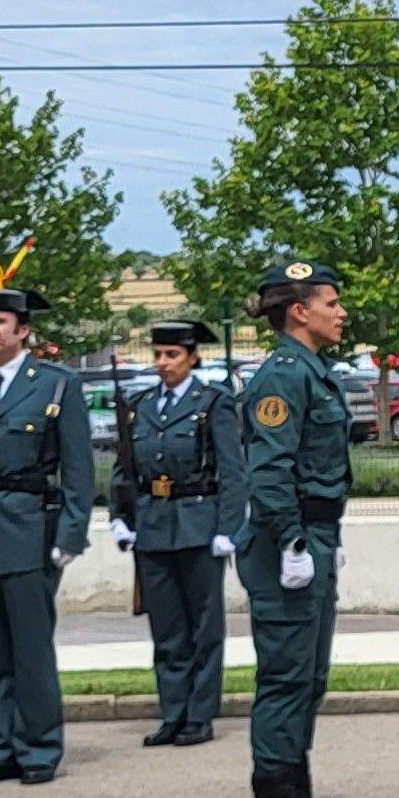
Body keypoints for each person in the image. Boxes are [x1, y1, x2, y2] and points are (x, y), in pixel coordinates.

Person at [0, 286, 93, 788]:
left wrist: (71, 531)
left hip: (28, 527)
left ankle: (38, 748)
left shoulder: (55, 385)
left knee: (29, 650)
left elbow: (78, 466)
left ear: (22, 330)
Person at [236, 259, 359, 798]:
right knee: (286, 677)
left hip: (314, 536)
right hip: (292, 539)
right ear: (298, 311)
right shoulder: (284, 377)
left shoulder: (310, 371)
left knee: (306, 677)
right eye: (330, 303)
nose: (341, 313)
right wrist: (290, 540)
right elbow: (271, 469)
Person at [111, 319, 238, 750]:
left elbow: (233, 472)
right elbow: (125, 466)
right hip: (152, 524)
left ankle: (200, 715)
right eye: (159, 355)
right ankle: (172, 712)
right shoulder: (141, 404)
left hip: (199, 523)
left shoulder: (212, 403)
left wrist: (228, 527)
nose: (163, 364)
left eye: (172, 355)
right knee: (166, 628)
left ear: (192, 358)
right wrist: (120, 515)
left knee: (203, 626)